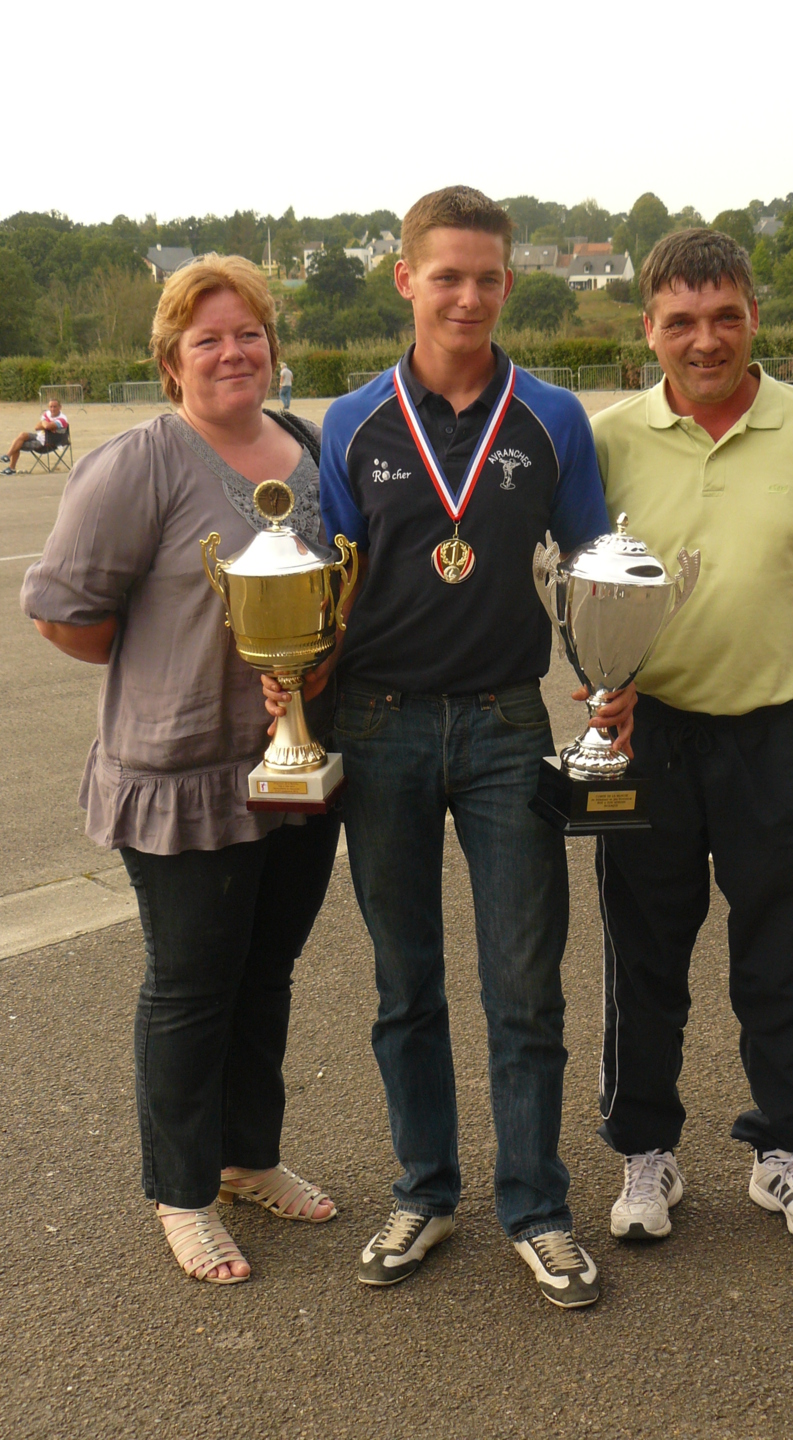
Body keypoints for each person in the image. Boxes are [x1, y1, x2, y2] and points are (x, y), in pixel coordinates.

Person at [265, 186, 631, 1308]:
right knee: (403, 982)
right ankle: (423, 1190)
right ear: (405, 279)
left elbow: (595, 564)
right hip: (376, 725)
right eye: (446, 275)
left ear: (508, 284)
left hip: (505, 721)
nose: (466, 295)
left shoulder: (554, 417)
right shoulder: (356, 418)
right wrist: (289, 662)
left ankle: (538, 1208)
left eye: (486, 277)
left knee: (524, 987)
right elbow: (322, 573)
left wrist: (613, 679)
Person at [21, 254, 340, 1286]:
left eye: (247, 333)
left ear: (272, 346)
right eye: (207, 338)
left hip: (292, 771)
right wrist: (168, 669)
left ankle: (249, 1158)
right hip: (180, 775)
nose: (232, 352)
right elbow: (61, 611)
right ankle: (182, 1190)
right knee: (192, 984)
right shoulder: (138, 463)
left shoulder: (308, 446)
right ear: (171, 359)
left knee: (267, 974)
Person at [589, 228, 793, 1248]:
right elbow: (586, 594)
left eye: (723, 317)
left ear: (754, 316)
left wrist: (768, 653)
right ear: (648, 331)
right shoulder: (611, 437)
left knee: (779, 953)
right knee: (643, 951)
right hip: (650, 738)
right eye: (681, 322)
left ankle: (784, 1151)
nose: (703, 340)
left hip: (777, 735)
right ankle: (645, 1154)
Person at [2, 397, 69, 473]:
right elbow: (37, 427)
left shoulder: (62, 419)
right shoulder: (47, 413)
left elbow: (47, 426)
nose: (52, 409)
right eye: (51, 407)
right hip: (40, 436)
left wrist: (44, 423)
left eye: (55, 407)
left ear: (60, 407)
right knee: (22, 435)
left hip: (48, 443)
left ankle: (11, 468)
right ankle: (7, 456)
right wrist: (46, 425)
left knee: (17, 444)